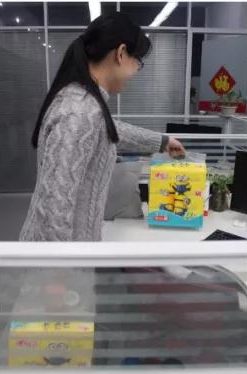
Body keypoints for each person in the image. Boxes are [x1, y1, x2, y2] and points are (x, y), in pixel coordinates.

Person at [20, 12, 186, 241]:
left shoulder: (85, 103)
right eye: (138, 61)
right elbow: (54, 210)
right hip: (59, 264)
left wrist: (163, 141)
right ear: (120, 53)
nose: (137, 70)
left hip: (72, 253)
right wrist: (58, 273)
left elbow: (107, 128)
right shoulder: (78, 110)